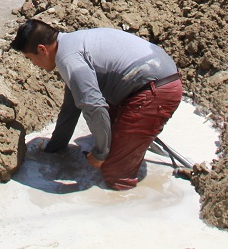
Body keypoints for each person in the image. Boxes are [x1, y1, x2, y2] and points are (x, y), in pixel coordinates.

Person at [11, 19, 181, 190]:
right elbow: (71, 108)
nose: (34, 64)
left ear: (42, 49)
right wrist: (54, 148)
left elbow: (94, 107)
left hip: (157, 90)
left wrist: (100, 153)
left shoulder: (69, 59)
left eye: (30, 58)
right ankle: (128, 142)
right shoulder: (71, 44)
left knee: (113, 173)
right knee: (107, 137)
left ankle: (127, 199)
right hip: (150, 78)